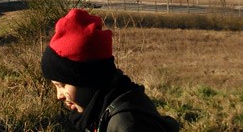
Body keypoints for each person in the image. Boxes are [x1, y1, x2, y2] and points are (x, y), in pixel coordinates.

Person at [41, 8, 179, 132]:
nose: (59, 95)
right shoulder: (97, 112)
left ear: (87, 77)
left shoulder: (127, 125)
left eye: (62, 85)